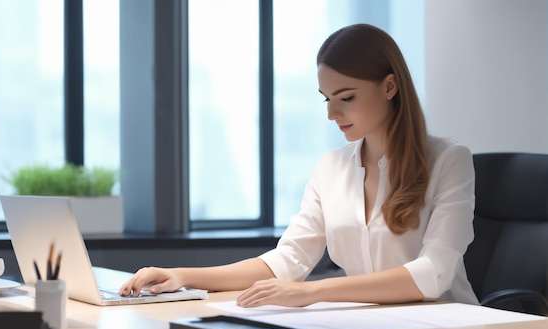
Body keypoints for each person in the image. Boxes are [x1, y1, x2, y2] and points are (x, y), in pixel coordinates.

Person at [118, 23, 480, 308]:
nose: (332, 114)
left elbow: (433, 274)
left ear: (390, 87)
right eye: (326, 98)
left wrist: (313, 292)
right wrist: (182, 276)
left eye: (347, 97)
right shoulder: (330, 168)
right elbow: (287, 260)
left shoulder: (448, 160)